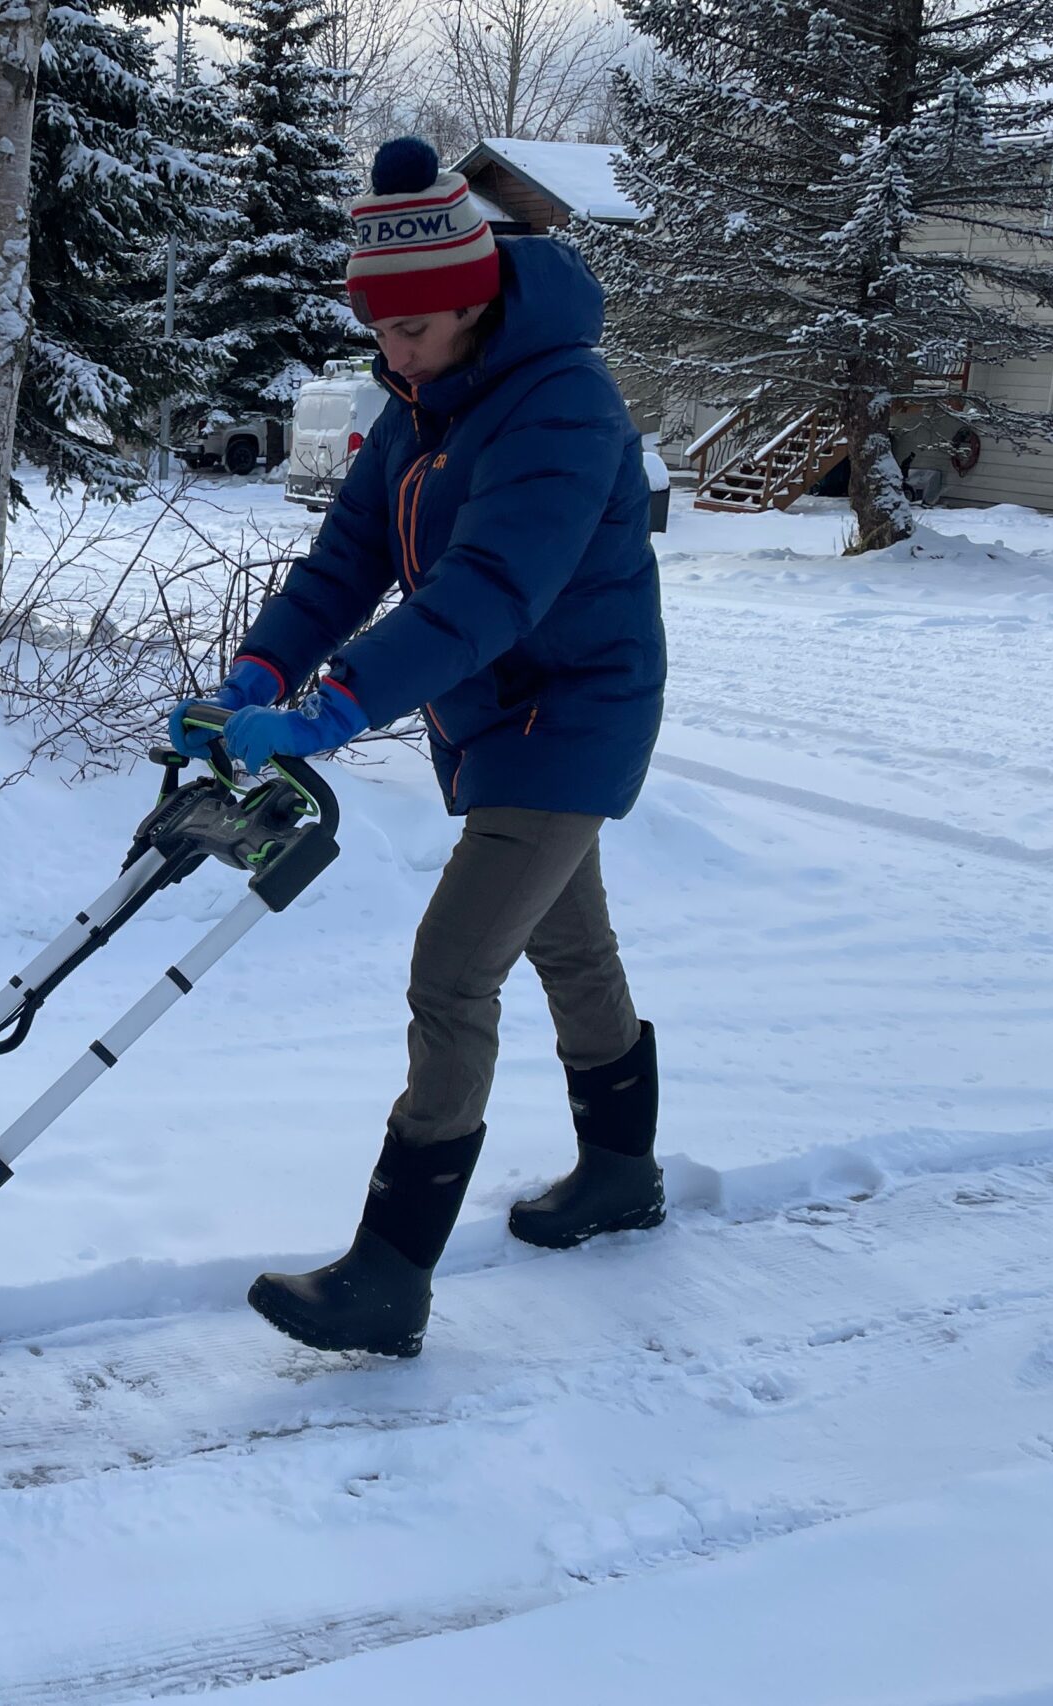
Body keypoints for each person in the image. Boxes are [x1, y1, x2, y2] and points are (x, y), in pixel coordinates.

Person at [170, 137, 667, 1359]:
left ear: (479, 301)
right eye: (377, 334)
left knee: (454, 970)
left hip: (573, 710)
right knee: (568, 940)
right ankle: (621, 1172)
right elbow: (345, 559)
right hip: (494, 709)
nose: (388, 357)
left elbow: (489, 586)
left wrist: (338, 705)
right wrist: (262, 668)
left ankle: (390, 1275)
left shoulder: (562, 402)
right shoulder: (416, 404)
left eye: (412, 333)